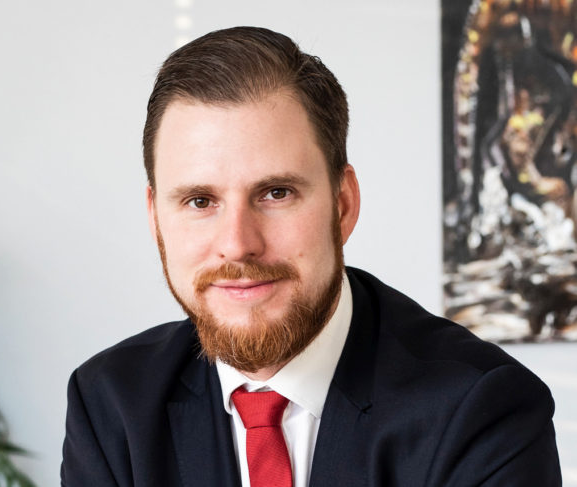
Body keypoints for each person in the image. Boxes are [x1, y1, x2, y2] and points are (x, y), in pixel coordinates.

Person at [61, 26, 561, 487]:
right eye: (199, 201)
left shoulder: (483, 410)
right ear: (156, 219)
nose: (237, 243)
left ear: (342, 205)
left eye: (276, 193)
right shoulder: (110, 404)